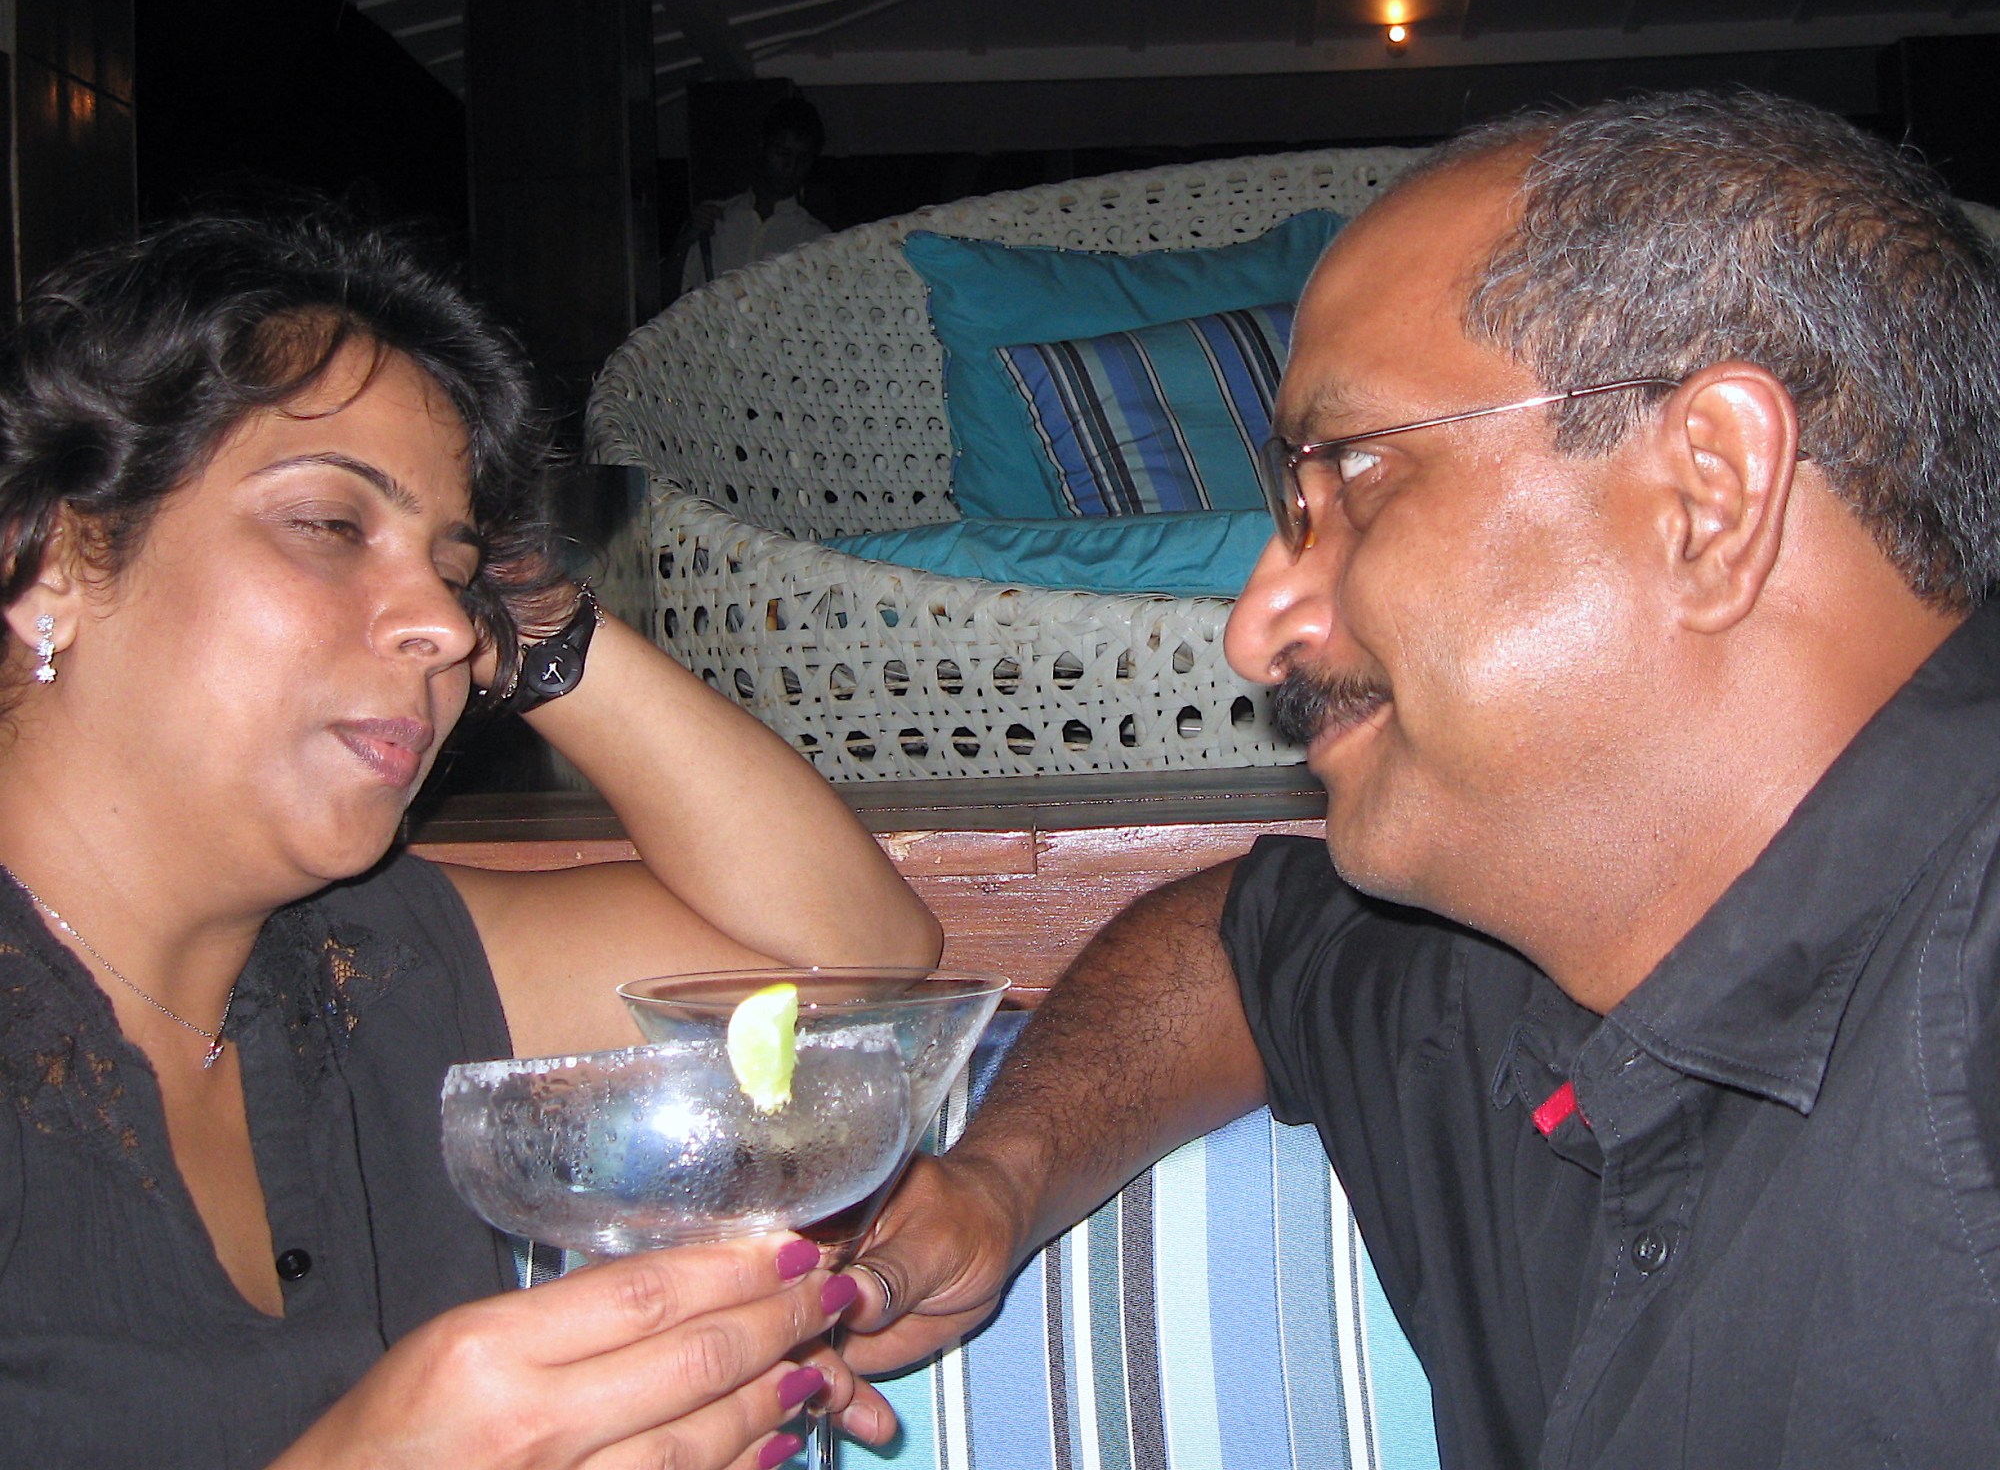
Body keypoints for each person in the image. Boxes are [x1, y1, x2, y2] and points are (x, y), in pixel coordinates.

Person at [837, 91, 2000, 1468]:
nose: (1253, 630)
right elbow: (1249, 945)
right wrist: (997, 1181)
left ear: (1712, 489)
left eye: (1356, 472)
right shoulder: (1524, 970)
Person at [0, 206, 938, 1468]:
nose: (446, 629)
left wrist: (542, 629)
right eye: (328, 523)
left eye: (455, 574)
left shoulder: (363, 959)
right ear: (55, 557)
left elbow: (851, 955)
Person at [671, 95, 829, 300]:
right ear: (762, 145)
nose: (791, 167)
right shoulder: (714, 219)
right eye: (782, 153)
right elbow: (668, 295)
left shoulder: (816, 239)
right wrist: (685, 241)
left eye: (803, 159)